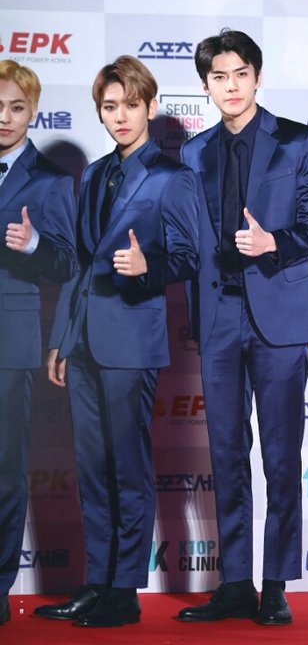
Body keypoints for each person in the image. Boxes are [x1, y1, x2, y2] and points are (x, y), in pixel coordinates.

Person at [33, 55, 198, 628]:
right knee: (92, 467)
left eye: (131, 104)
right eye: (110, 107)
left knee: (127, 467)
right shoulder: (97, 172)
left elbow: (189, 257)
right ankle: (96, 583)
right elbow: (79, 265)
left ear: (150, 106)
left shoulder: (173, 177)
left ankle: (124, 591)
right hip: (82, 342)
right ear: (99, 112)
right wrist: (61, 339)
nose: (120, 116)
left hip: (131, 339)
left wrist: (148, 267)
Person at [177, 30, 308, 626]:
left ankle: (276, 585)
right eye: (219, 77)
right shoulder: (193, 152)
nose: (231, 86)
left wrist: (274, 243)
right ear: (206, 86)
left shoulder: (298, 140)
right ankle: (235, 583)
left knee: (282, 457)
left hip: (279, 319)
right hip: (218, 316)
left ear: (258, 77)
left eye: (241, 74)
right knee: (226, 454)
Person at [0, 60, 76, 626]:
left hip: (11, 339)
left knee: (5, 468)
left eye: (16, 108)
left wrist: (33, 246)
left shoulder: (50, 179)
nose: (4, 118)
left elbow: (69, 262)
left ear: (33, 112)